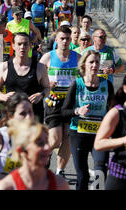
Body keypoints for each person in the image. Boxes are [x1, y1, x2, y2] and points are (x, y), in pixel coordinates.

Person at [61, 50, 115, 190]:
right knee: (83, 176)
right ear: (84, 64)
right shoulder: (77, 85)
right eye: (91, 62)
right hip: (79, 133)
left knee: (100, 173)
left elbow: (113, 110)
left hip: (100, 135)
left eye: (97, 62)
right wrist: (78, 111)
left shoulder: (107, 85)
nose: (94, 65)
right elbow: (63, 112)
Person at [39, 25, 81, 177]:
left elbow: (84, 78)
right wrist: (46, 83)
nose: (65, 41)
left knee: (68, 137)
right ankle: (45, 156)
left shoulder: (78, 57)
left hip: (71, 103)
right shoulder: (48, 57)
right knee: (56, 139)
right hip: (53, 103)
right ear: (56, 39)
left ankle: (60, 171)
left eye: (67, 39)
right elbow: (38, 78)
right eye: (62, 38)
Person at [0, 119, 70, 190]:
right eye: (40, 143)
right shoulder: (6, 186)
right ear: (21, 149)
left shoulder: (60, 184)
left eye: (47, 142)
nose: (47, 147)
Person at [0, 32, 50, 124]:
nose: (22, 47)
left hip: (34, 118)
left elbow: (47, 88)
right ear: (13, 46)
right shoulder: (4, 67)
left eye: (25, 44)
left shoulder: (40, 67)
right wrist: (3, 96)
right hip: (13, 118)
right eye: (19, 44)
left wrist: (41, 95)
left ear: (30, 45)